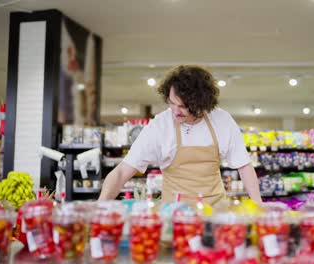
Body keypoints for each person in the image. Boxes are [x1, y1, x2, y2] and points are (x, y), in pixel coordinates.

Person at [99, 65, 262, 206]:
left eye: (183, 106)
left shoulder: (221, 120)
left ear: (201, 104)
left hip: (214, 213)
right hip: (174, 216)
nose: (175, 111)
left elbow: (244, 166)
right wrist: (101, 205)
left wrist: (258, 206)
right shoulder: (160, 125)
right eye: (171, 103)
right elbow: (121, 172)